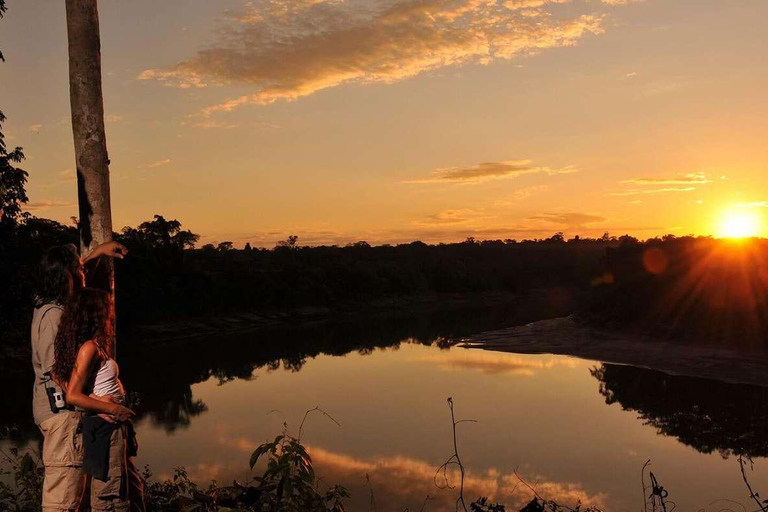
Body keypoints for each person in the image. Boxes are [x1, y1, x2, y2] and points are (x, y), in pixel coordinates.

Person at [31, 241, 126, 512]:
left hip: (66, 414)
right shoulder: (53, 316)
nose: (82, 274)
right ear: (66, 277)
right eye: (77, 270)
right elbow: (56, 371)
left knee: (79, 497)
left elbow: (65, 268)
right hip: (61, 416)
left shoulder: (47, 301)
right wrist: (98, 401)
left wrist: (96, 253)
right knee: (62, 501)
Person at [53, 288, 144, 512]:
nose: (110, 313)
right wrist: (111, 408)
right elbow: (73, 394)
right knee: (110, 498)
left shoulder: (92, 344)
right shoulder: (89, 348)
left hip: (112, 427)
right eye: (107, 308)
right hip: (105, 428)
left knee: (130, 489)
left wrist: (100, 400)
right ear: (95, 312)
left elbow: (59, 376)